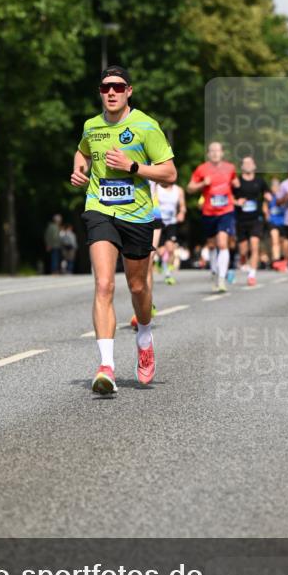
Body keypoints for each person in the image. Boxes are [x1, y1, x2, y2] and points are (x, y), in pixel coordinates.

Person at [70, 65, 176, 394]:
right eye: (106, 88)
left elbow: (170, 174)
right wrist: (79, 170)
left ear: (129, 90)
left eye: (118, 87)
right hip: (100, 209)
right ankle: (106, 367)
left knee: (138, 287)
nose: (112, 92)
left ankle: (144, 335)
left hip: (138, 215)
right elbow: (82, 151)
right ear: (100, 93)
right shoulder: (92, 126)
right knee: (104, 284)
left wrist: (133, 166)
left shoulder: (146, 126)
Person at [187, 142, 239, 293]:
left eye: (218, 150)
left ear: (222, 153)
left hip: (226, 211)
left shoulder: (230, 168)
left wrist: (237, 185)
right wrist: (203, 183)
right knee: (211, 245)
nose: (215, 153)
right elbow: (189, 188)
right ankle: (215, 271)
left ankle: (222, 279)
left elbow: (235, 182)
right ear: (208, 154)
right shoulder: (202, 169)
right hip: (209, 212)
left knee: (222, 243)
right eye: (212, 151)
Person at [232, 156, 271, 287]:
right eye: (245, 163)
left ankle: (252, 275)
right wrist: (237, 202)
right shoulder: (236, 181)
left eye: (250, 163)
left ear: (255, 166)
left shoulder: (260, 181)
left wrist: (268, 196)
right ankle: (243, 260)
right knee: (243, 250)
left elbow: (268, 193)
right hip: (241, 219)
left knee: (255, 245)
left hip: (256, 218)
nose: (248, 165)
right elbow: (229, 196)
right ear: (241, 166)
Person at [267, 178, 288, 271]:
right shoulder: (269, 197)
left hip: (283, 222)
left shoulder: (283, 197)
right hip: (273, 222)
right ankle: (276, 260)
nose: (275, 188)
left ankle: (284, 258)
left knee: (283, 242)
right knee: (275, 240)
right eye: (273, 186)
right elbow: (265, 208)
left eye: (276, 186)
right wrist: (267, 216)